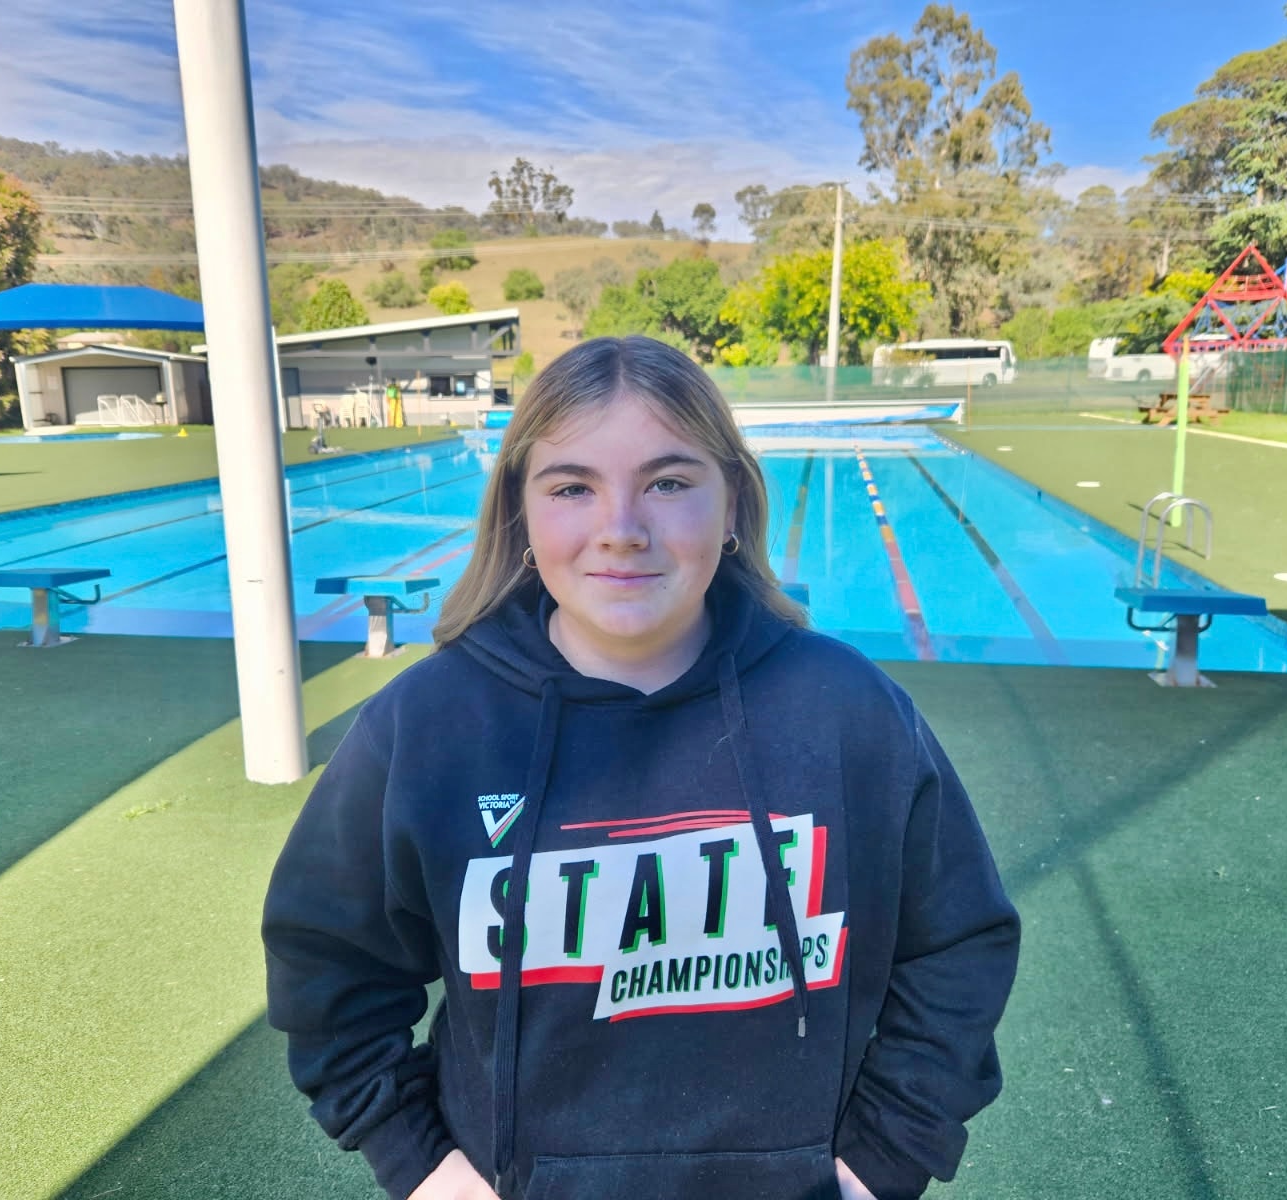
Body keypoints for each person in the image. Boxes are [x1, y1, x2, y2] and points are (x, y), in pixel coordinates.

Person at [263, 335, 1020, 1200]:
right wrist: (427, 1171)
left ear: (731, 500)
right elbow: (327, 962)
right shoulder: (428, 726)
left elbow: (959, 944)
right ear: (522, 512)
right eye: (573, 487)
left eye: (667, 482)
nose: (621, 530)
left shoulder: (847, 712)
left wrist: (878, 1164)